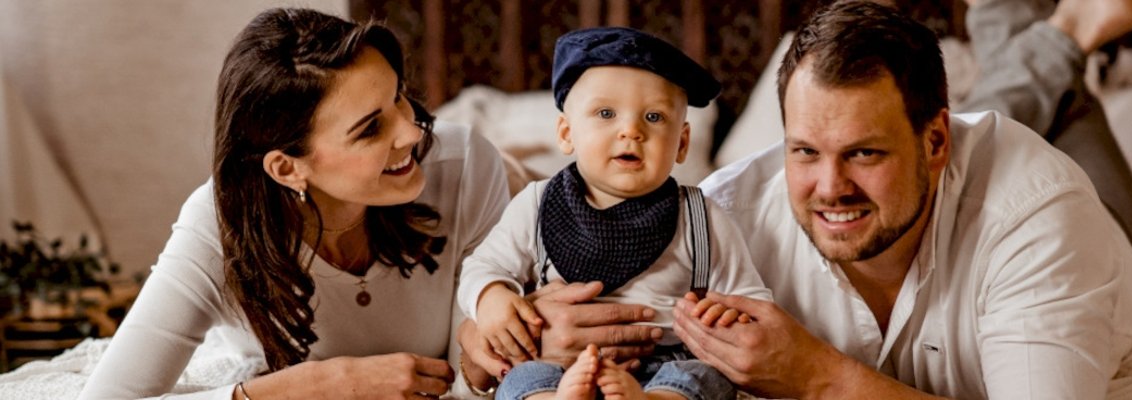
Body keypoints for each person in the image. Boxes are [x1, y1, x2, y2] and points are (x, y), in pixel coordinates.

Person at [669, 0, 1132, 398]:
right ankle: (1027, 22)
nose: (828, 187)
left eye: (863, 153)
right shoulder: (722, 217)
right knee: (969, 127)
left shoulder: (1040, 212)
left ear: (937, 144)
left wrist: (816, 377)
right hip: (951, 157)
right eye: (804, 151)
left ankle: (1055, 31)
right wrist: (591, 327)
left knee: (1037, 128)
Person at [79, 8, 512, 399]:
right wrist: (307, 386)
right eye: (369, 129)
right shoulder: (219, 225)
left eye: (398, 96)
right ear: (287, 169)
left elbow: (468, 375)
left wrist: (477, 373)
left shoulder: (467, 166)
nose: (413, 133)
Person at [456, 27, 772, 400]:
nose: (631, 131)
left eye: (654, 117)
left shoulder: (702, 216)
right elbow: (483, 266)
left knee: (704, 377)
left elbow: (750, 298)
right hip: (559, 366)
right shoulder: (536, 202)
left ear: (682, 143)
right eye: (606, 113)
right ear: (566, 133)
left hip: (668, 362)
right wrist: (491, 296)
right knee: (522, 380)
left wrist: (733, 318)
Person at [959, 0, 1132, 342]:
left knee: (923, 159)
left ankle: (1056, 33)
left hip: (1115, 284)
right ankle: (1061, 33)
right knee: (1063, 102)